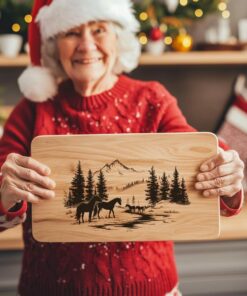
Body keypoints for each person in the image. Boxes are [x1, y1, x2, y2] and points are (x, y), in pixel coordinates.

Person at [0, 0, 244, 295]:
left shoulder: (152, 98)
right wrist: (5, 191)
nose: (87, 45)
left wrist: (226, 174)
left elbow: (195, 153)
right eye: (71, 33)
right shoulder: (30, 112)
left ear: (118, 37)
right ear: (53, 44)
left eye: (99, 29)